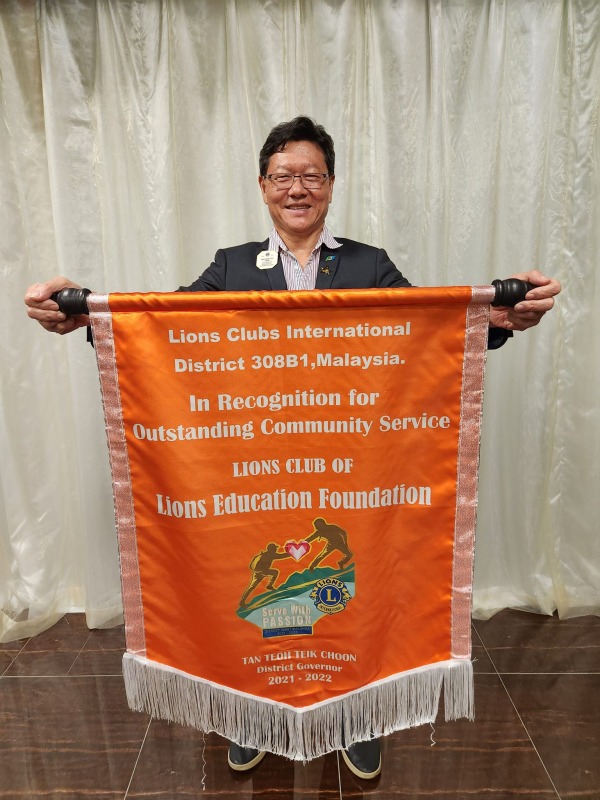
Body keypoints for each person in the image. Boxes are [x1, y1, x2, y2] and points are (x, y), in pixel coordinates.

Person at [24, 116, 561, 780]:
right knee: (254, 591)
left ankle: (357, 717)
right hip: (256, 476)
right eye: (283, 176)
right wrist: (88, 317)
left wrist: (496, 320)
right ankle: (253, 714)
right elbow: (161, 332)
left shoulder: (368, 264)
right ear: (263, 186)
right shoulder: (230, 266)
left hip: (351, 475)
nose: (297, 188)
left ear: (331, 184)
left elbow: (428, 334)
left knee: (350, 591)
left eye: (311, 175)